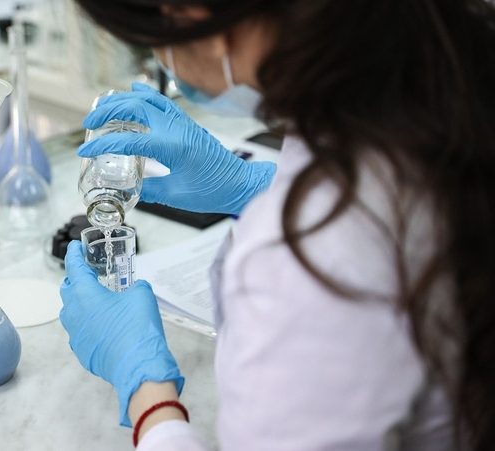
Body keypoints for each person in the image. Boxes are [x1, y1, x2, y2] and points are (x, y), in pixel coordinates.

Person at [58, 0, 495, 450]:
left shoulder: (310, 258)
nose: (160, 58)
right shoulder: (440, 70)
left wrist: (147, 395)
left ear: (192, 14)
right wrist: (253, 186)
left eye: (151, 42)